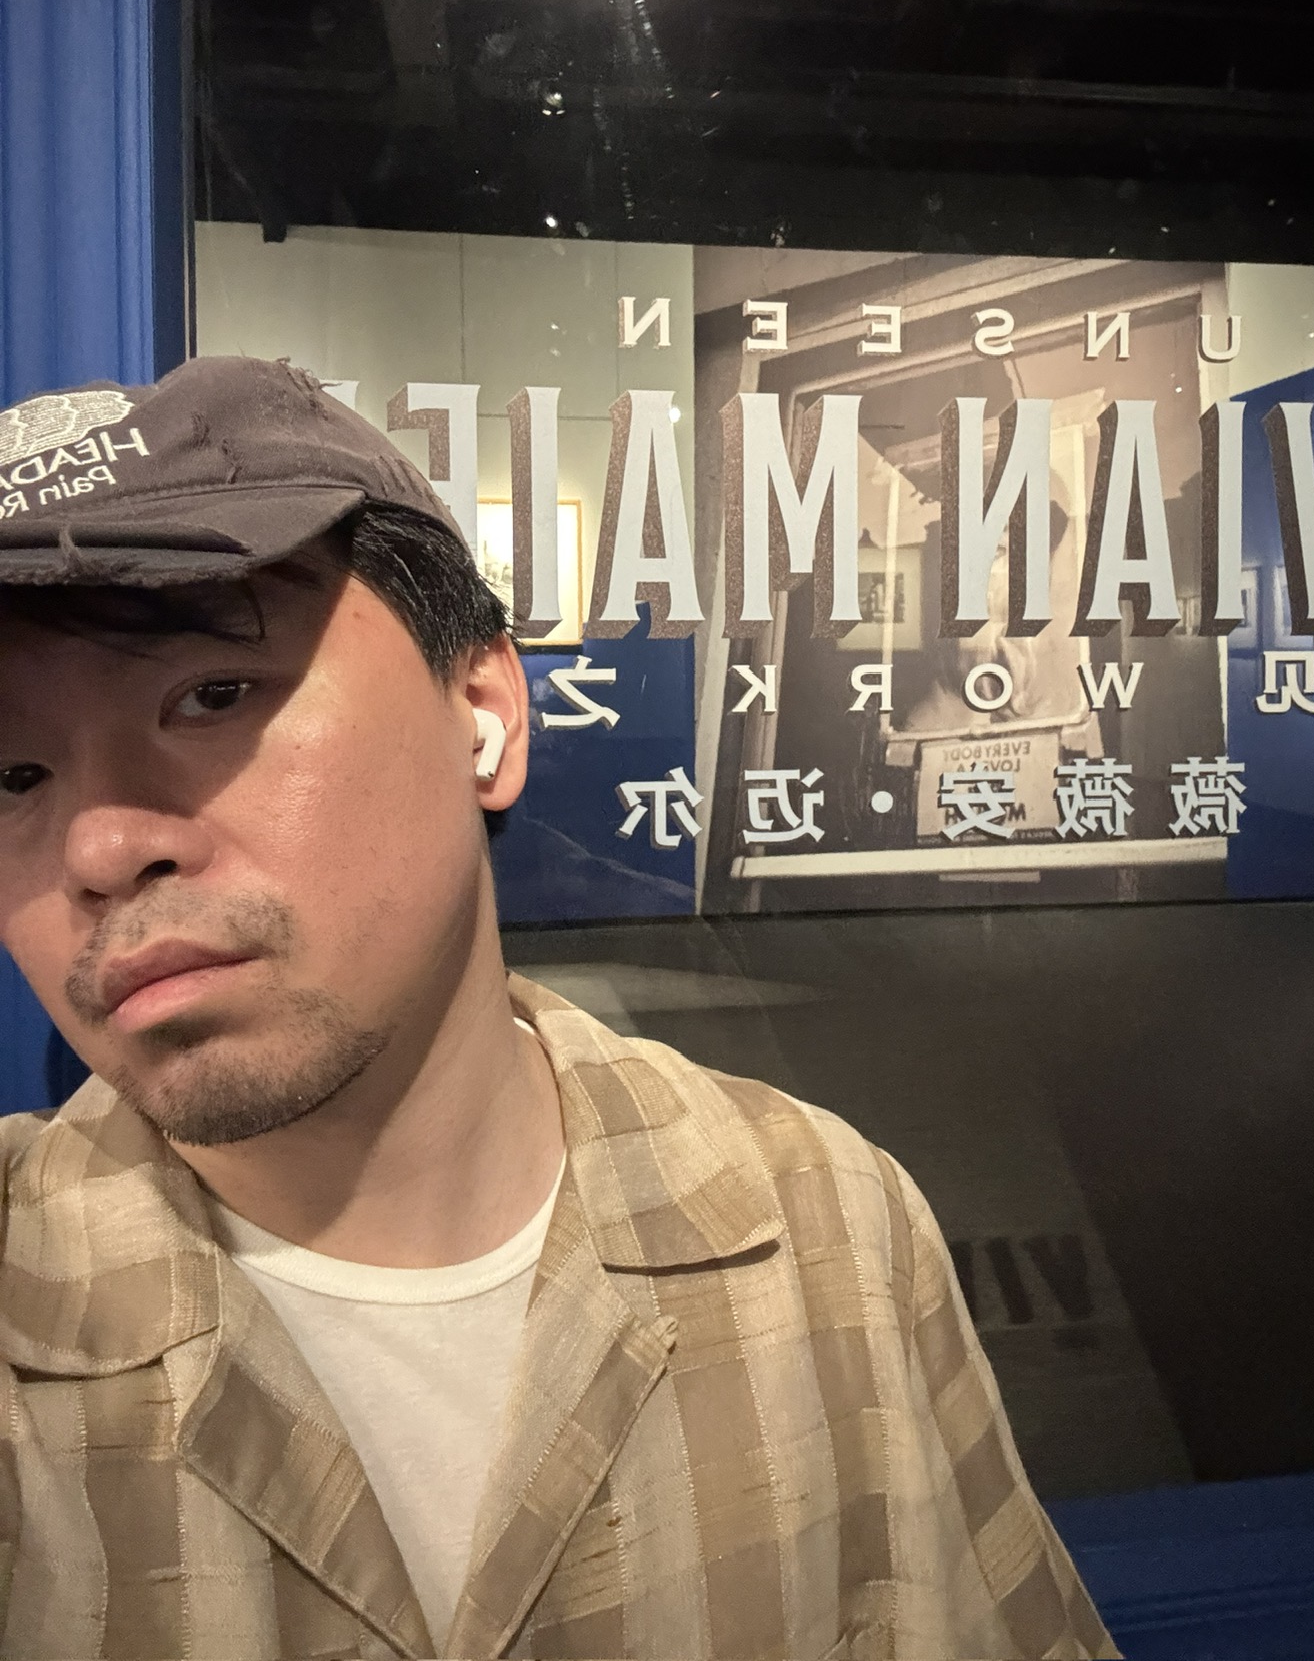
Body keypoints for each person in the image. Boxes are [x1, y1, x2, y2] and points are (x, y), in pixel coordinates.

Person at [0, 357, 1116, 1661]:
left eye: (213, 694)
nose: (98, 847)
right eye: (12, 774)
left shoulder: (823, 1221)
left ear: (482, 711)